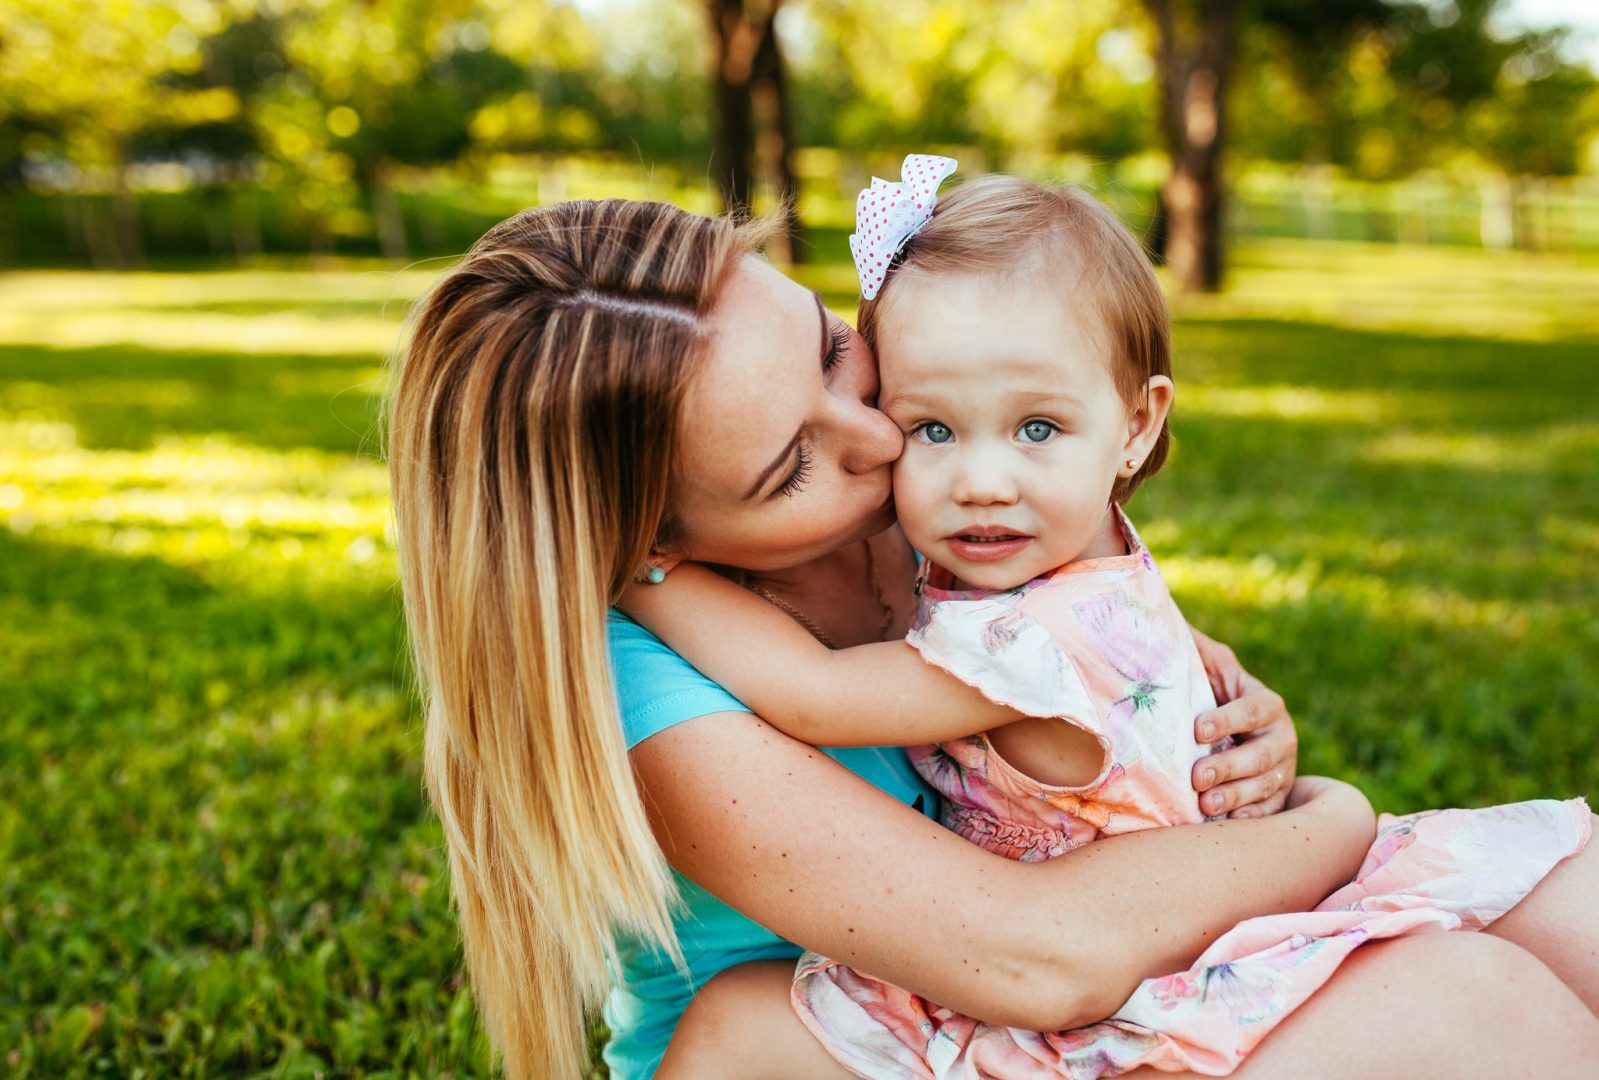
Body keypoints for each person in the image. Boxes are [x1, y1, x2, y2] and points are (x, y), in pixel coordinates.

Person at [384, 196, 1599, 1080]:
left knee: (1578, 905)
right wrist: (1328, 822)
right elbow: (1035, 961)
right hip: (847, 1043)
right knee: (1476, 1012)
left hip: (1070, 970)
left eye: (829, 352)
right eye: (789, 463)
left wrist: (1234, 720)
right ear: (649, 539)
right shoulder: (637, 681)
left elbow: (1128, 669)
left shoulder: (935, 509)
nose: (873, 438)